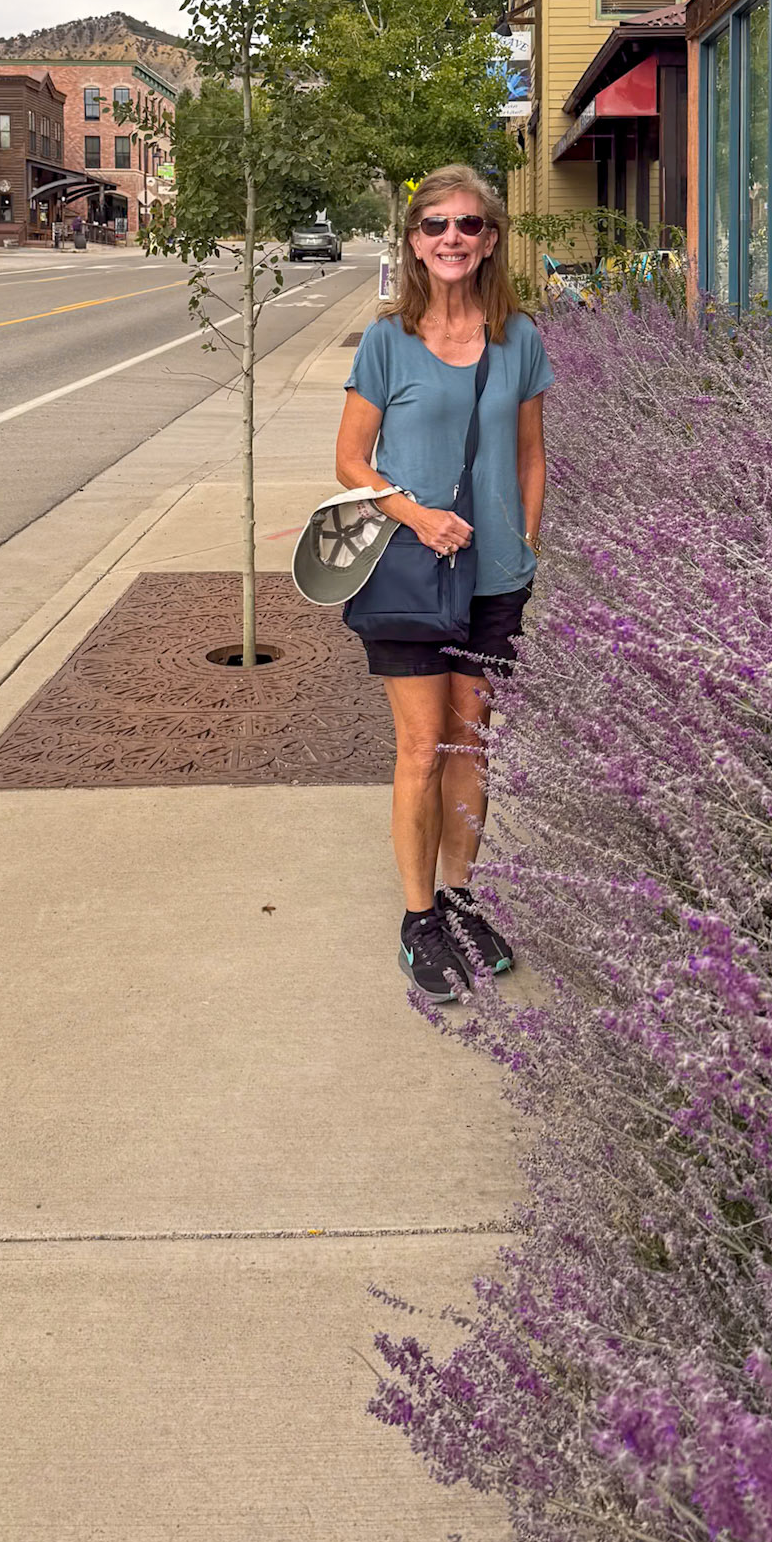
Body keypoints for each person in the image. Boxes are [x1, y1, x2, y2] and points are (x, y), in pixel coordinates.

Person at [335, 163, 553, 1001]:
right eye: (436, 227)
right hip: (411, 572)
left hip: (496, 580)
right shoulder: (388, 340)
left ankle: (462, 899)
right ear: (415, 243)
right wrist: (419, 516)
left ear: (490, 240)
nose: (452, 239)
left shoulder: (519, 338)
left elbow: (531, 453)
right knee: (422, 750)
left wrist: (526, 539)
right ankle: (419, 918)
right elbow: (351, 459)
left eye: (468, 225)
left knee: (471, 747)